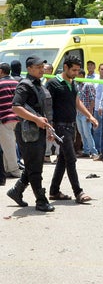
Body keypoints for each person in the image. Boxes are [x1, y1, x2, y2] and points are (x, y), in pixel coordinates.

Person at [6, 56, 55, 212]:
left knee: (33, 164)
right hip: (28, 133)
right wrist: (36, 119)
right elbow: (16, 107)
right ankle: (41, 200)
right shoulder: (25, 85)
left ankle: (17, 191)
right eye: (38, 66)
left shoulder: (38, 85)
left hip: (38, 131)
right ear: (29, 69)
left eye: (42, 66)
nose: (42, 69)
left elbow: (43, 111)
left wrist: (48, 128)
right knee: (35, 168)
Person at [46, 55, 96, 204]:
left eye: (77, 70)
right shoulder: (53, 84)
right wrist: (50, 128)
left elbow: (77, 102)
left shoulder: (73, 84)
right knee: (71, 158)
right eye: (73, 70)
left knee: (63, 159)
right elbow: (47, 108)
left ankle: (54, 191)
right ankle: (78, 192)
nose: (75, 73)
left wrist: (89, 116)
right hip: (59, 126)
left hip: (70, 125)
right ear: (66, 67)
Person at [0, 63, 21, 178]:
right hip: (17, 117)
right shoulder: (16, 83)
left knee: (8, 146)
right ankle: (7, 168)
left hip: (5, 118)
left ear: (1, 71)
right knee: (10, 144)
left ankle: (14, 170)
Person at [75, 69, 99, 159]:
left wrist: (90, 114)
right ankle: (86, 150)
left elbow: (92, 99)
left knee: (87, 132)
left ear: (81, 75)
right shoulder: (77, 85)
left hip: (86, 113)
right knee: (82, 132)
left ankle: (94, 152)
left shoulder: (88, 85)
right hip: (78, 113)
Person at [43, 63, 58, 163]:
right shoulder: (44, 83)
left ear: (50, 71)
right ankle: (47, 155)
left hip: (52, 112)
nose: (43, 71)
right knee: (48, 133)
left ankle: (59, 154)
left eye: (45, 69)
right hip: (46, 112)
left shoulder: (53, 83)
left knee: (54, 134)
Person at [92, 63, 103, 155]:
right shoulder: (95, 80)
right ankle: (98, 149)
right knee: (96, 129)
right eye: (101, 69)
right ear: (98, 70)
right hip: (96, 108)